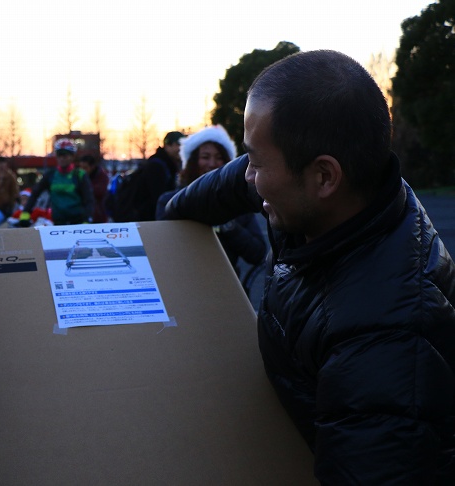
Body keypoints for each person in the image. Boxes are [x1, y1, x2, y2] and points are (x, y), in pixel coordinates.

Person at [164, 50, 455, 483]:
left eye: (257, 163)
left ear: (324, 178)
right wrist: (165, 223)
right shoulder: (339, 192)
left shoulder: (387, 345)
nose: (247, 176)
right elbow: (228, 184)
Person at [156, 126, 267, 292]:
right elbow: (161, 251)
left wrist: (229, 226)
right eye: (205, 157)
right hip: (182, 288)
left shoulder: (237, 204)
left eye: (219, 157)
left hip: (226, 290)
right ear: (192, 161)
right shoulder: (168, 201)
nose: (212, 164)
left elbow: (257, 253)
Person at [20, 138, 94, 225]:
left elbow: (89, 199)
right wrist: (25, 213)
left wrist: (87, 219)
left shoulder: (80, 175)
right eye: (59, 155)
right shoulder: (50, 175)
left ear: (73, 156)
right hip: (57, 221)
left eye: (65, 155)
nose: (62, 158)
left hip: (78, 221)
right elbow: (35, 193)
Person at [135, 131, 184, 221]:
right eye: (178, 144)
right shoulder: (157, 166)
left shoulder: (168, 165)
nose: (182, 148)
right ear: (167, 146)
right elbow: (157, 199)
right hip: (149, 223)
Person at [78, 154, 110, 223]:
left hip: (97, 217)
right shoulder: (79, 176)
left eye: (85, 167)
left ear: (92, 167)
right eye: (81, 167)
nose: (82, 170)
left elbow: (99, 192)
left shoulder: (102, 177)